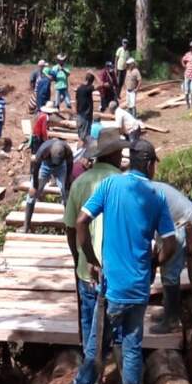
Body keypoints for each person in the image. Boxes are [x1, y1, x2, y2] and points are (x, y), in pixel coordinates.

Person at [57, 139, 177, 384]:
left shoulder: (111, 187)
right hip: (138, 289)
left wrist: (92, 259)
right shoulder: (156, 196)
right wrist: (153, 264)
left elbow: (82, 221)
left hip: (111, 290)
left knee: (95, 352)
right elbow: (171, 242)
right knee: (133, 349)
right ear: (150, 164)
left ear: (131, 160)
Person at [63, 130, 127, 359]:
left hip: (87, 268)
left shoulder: (80, 182)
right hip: (117, 268)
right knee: (118, 327)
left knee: (90, 322)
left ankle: (93, 378)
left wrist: (77, 256)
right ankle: (125, 381)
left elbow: (70, 227)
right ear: (116, 154)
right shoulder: (123, 183)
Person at [149, 181, 192, 334]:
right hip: (174, 220)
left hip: (184, 222)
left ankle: (171, 321)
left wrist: (154, 264)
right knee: (167, 265)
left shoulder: (147, 196)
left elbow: (169, 246)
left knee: (169, 269)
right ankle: (170, 310)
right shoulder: (144, 191)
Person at [23, 138, 73, 232]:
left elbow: (70, 165)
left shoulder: (67, 150)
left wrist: (67, 182)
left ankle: (69, 226)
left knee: (67, 194)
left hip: (61, 168)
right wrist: (34, 186)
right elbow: (35, 169)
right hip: (45, 167)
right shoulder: (43, 150)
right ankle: (26, 225)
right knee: (32, 195)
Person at [75, 73, 96, 146]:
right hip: (86, 115)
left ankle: (79, 153)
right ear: (91, 81)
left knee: (80, 136)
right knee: (84, 137)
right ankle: (82, 155)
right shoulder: (89, 88)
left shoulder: (79, 88)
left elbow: (76, 101)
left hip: (79, 114)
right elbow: (100, 85)